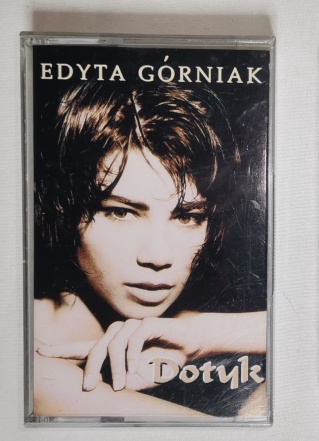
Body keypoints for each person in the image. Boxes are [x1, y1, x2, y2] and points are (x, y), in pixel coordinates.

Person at [33, 81, 267, 418]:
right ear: (65, 210)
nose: (158, 257)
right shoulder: (32, 365)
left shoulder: (172, 327)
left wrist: (203, 335)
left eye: (187, 217)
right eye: (121, 212)